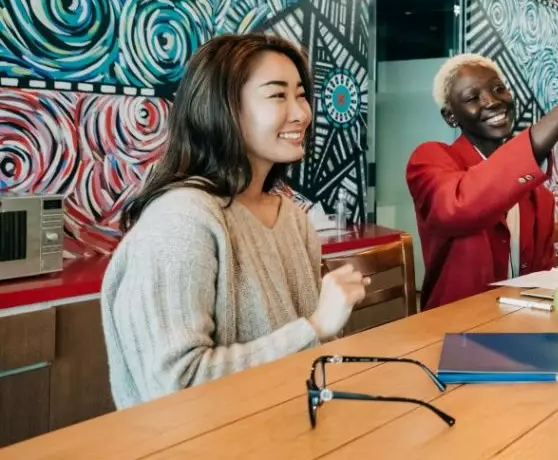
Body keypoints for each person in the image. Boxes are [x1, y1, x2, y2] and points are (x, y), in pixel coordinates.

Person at [101, 34, 367, 409]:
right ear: (222, 108)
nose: (301, 114)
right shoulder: (180, 220)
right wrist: (315, 327)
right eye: (278, 95)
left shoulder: (293, 219)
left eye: (301, 95)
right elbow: (175, 386)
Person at [406, 40, 558, 310]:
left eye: (498, 89)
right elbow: (462, 203)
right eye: (472, 98)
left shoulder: (539, 198)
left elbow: (541, 282)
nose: (492, 101)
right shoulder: (429, 159)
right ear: (451, 117)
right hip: (453, 326)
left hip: (520, 321)